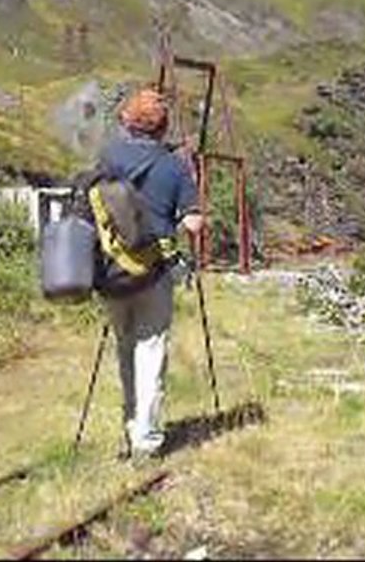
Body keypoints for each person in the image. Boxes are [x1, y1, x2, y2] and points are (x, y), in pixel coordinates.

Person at [98, 88, 203, 458]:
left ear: (128, 121)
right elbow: (193, 223)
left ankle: (131, 428)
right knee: (151, 351)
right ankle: (146, 439)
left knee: (124, 349)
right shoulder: (175, 166)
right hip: (154, 273)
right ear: (162, 127)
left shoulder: (108, 157)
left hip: (111, 272)